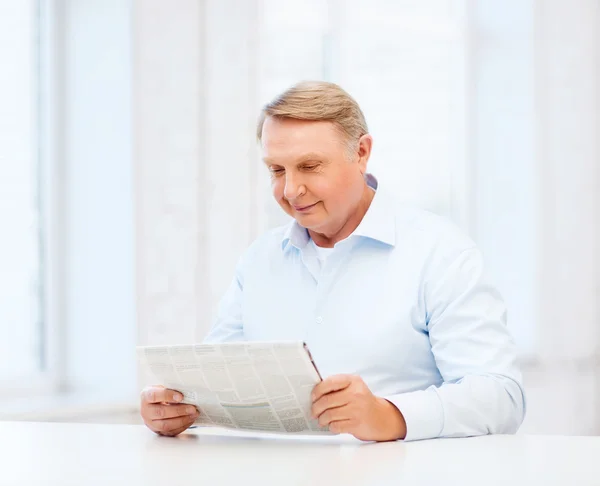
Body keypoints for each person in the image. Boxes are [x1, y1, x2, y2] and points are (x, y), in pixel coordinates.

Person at [140, 81, 526, 442]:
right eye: (277, 170)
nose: (291, 190)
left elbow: (501, 395)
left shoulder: (439, 252)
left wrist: (389, 415)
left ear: (361, 153)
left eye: (309, 166)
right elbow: (216, 375)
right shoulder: (260, 259)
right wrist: (176, 405)